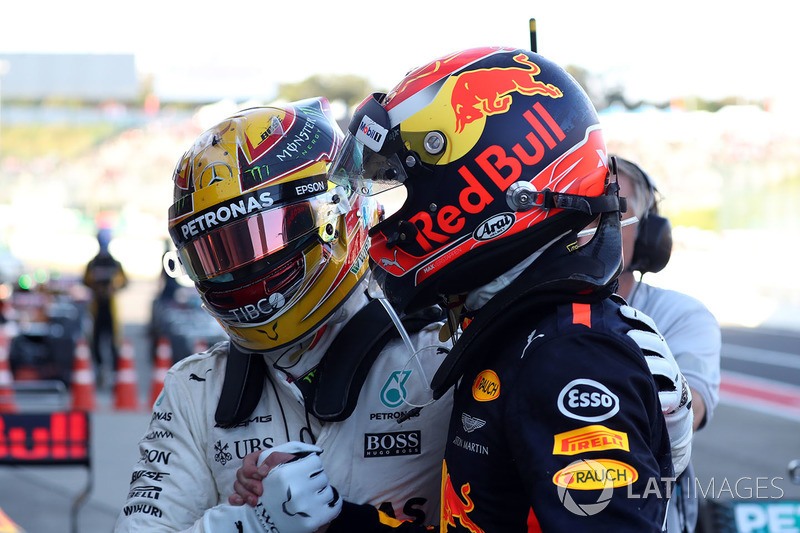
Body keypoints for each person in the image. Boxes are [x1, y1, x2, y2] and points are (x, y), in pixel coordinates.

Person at [236, 47, 695, 532]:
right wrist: (332, 523)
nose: (383, 223)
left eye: (399, 188)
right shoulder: (523, 334)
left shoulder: (567, 354)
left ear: (485, 183)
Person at [114, 98, 455, 532]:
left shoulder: (439, 356)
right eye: (215, 253)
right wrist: (248, 524)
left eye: (255, 242)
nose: (238, 269)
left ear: (335, 212)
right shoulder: (197, 388)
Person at [611, 155, 721, 533]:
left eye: (617, 208)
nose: (599, 221)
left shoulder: (681, 314)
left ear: (649, 234)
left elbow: (693, 411)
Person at [82, 227, 127, 386]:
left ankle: (114, 373)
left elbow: (124, 282)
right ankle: (100, 370)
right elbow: (85, 281)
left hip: (111, 308)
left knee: (114, 342)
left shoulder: (115, 264)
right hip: (96, 308)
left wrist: (113, 288)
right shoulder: (93, 263)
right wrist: (96, 287)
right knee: (95, 340)